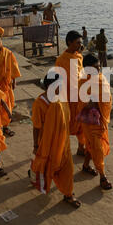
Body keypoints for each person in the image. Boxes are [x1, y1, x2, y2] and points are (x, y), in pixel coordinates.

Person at [29, 71, 81, 208]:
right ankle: (34, 174)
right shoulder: (40, 103)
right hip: (47, 144)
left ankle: (68, 194)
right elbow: (37, 126)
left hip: (63, 143)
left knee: (67, 169)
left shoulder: (61, 99)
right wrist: (35, 145)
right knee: (46, 167)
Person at [79, 53, 113, 190]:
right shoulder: (82, 82)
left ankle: (86, 165)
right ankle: (102, 176)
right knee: (97, 147)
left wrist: (98, 101)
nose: (98, 70)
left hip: (101, 118)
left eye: (99, 67)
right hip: (89, 121)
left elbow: (107, 97)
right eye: (94, 68)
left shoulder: (101, 78)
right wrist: (91, 102)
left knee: (91, 144)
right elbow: (82, 102)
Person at [55, 30, 86, 156]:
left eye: (80, 43)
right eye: (77, 42)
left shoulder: (79, 56)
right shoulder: (61, 60)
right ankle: (63, 149)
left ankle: (81, 147)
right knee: (66, 124)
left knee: (82, 124)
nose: (80, 45)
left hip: (79, 96)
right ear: (69, 42)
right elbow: (57, 80)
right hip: (67, 97)